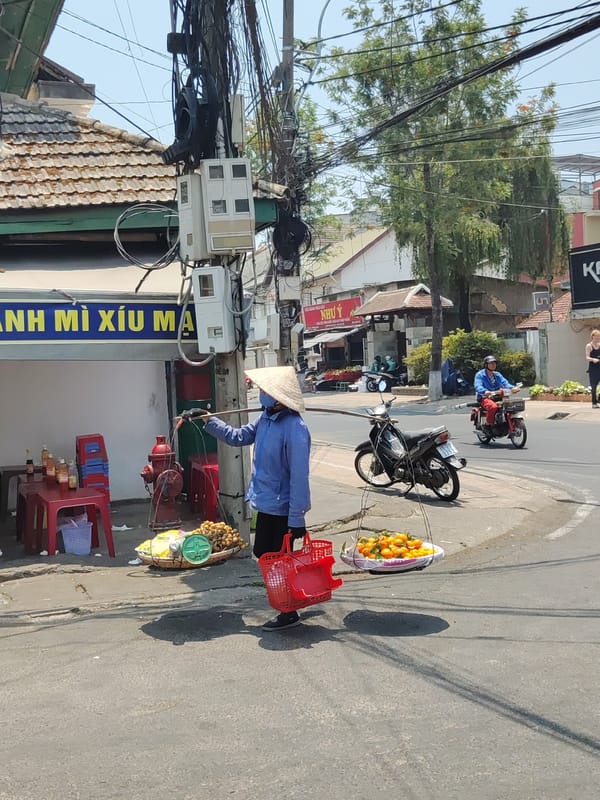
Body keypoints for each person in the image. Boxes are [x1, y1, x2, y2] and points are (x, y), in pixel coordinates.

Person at [199, 366, 311, 632]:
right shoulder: (265, 419)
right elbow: (238, 437)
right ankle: (287, 601)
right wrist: (208, 420)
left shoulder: (295, 428)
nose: (260, 394)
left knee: (275, 559)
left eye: (264, 391)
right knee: (266, 555)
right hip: (264, 501)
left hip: (282, 507)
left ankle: (288, 610)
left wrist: (297, 519)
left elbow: (299, 478)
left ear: (277, 396)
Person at [473, 355, 517, 426]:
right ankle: (489, 424)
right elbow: (477, 385)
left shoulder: (497, 375)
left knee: (509, 405)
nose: (493, 365)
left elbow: (505, 383)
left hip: (497, 395)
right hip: (484, 397)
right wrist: (484, 391)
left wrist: (513, 388)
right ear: (486, 365)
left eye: (494, 363)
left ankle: (505, 421)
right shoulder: (480, 375)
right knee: (493, 407)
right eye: (491, 363)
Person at [585, 329, 600, 408]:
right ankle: (594, 403)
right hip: (593, 369)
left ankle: (598, 400)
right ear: (593, 336)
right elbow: (587, 357)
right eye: (597, 336)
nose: (598, 338)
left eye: (599, 336)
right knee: (593, 386)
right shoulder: (589, 346)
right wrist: (593, 359)